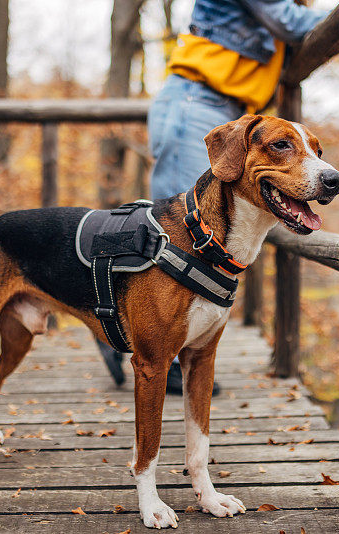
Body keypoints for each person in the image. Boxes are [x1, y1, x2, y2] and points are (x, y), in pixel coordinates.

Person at [101, 0, 327, 394]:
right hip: (198, 102)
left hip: (218, 104)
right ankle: (126, 326)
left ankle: (141, 331)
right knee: (177, 229)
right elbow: (291, 22)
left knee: (192, 232)